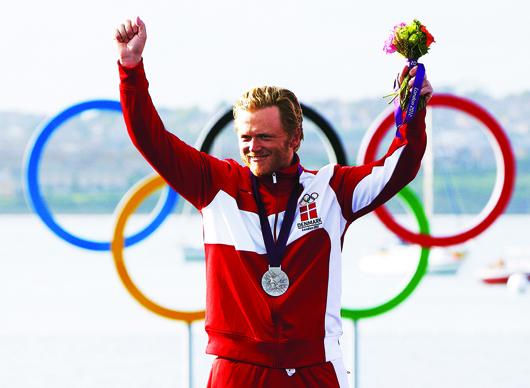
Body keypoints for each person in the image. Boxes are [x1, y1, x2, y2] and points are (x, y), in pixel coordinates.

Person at [115, 16, 432, 388]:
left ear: (295, 138)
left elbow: (400, 166)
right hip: (237, 367)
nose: (253, 146)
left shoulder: (332, 190)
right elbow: (151, 139)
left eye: (264, 136)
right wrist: (130, 70)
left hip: (314, 366)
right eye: (246, 137)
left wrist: (414, 111)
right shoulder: (214, 184)